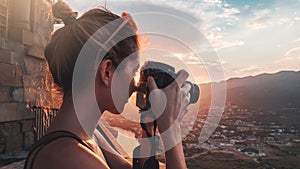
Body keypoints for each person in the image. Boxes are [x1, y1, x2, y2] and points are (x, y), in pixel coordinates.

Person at [24, 1, 191, 169]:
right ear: (107, 72)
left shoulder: (88, 137)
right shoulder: (68, 157)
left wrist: (148, 125)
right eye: (133, 72)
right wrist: (172, 130)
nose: (135, 86)